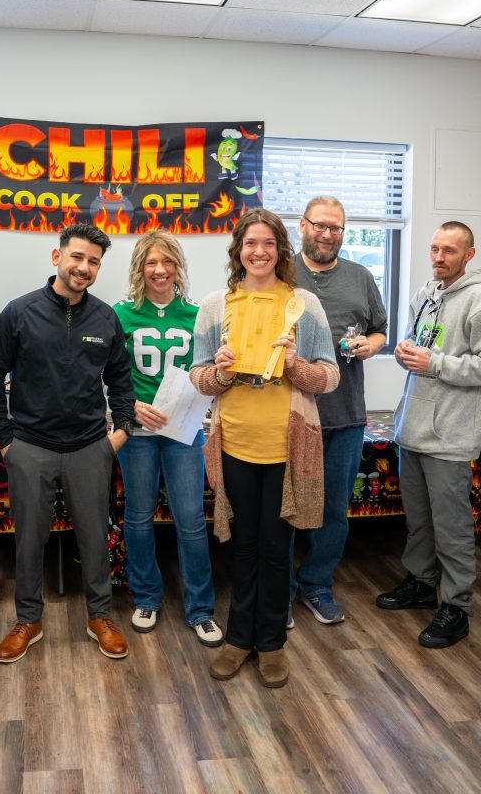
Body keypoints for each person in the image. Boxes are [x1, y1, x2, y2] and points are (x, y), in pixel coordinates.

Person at [190, 208, 339, 688]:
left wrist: (296, 365)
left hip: (286, 446)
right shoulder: (215, 306)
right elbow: (199, 378)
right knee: (244, 546)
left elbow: (329, 376)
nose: (259, 251)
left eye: (268, 243)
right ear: (238, 251)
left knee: (277, 548)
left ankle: (271, 643)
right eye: (250, 243)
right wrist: (221, 371)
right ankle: (238, 640)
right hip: (234, 443)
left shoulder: (303, 305)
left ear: (281, 250)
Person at [0, 223, 136, 663]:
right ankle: (28, 620)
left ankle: (99, 617)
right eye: (77, 258)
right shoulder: (19, 312)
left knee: (94, 538)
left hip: (90, 447)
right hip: (30, 445)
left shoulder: (106, 318)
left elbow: (120, 380)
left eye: (93, 262)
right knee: (30, 540)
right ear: (57, 257)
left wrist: (118, 433)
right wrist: (6, 439)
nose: (83, 268)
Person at [376, 222, 481, 648]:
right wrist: (408, 354)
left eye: (449, 250)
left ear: (470, 254)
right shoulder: (427, 293)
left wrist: (436, 363)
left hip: (451, 436)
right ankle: (423, 583)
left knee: (452, 528)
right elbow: (418, 345)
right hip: (415, 430)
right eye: (434, 248)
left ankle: (457, 606)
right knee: (419, 521)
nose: (439, 257)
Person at [113, 232, 222, 647]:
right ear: (139, 267)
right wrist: (129, 406)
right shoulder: (120, 313)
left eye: (167, 262)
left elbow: (209, 370)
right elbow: (107, 373)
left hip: (183, 433)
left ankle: (200, 608)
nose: (159, 271)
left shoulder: (197, 314)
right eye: (151, 263)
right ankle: (145, 597)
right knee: (138, 516)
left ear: (178, 266)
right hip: (138, 432)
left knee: (191, 520)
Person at [290, 197, 386, 626]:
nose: (327, 234)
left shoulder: (361, 276)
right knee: (287, 507)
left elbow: (380, 329)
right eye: (320, 225)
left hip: (346, 415)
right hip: (290, 415)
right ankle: (281, 590)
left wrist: (372, 344)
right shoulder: (279, 272)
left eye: (336, 228)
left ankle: (316, 585)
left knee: (333, 511)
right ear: (302, 226)